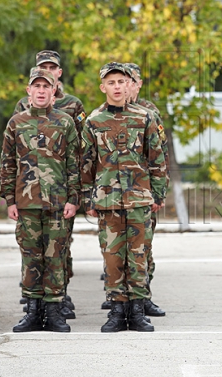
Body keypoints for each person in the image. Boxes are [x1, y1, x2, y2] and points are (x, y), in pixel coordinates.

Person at [81, 62, 167, 333]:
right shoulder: (93, 121)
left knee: (138, 256)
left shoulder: (144, 117)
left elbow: (156, 159)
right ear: (102, 87)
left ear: (128, 84)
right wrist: (88, 199)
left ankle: (138, 311)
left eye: (121, 82)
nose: (116, 87)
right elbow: (86, 164)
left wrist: (158, 194)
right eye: (111, 83)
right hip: (107, 201)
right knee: (112, 258)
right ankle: (117, 311)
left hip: (140, 199)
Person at [0, 68, 80, 333]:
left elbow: (74, 164)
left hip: (58, 203)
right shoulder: (16, 123)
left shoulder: (65, 122)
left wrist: (74, 199)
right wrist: (10, 199)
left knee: (56, 257)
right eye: (37, 86)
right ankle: (33, 311)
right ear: (29, 91)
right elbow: (8, 164)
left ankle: (55, 311)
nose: (42, 91)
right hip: (27, 203)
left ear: (54, 91)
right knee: (30, 257)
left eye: (47, 86)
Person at [124, 62, 168, 317]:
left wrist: (159, 190)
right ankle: (121, 297)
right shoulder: (107, 113)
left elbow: (159, 153)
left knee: (144, 247)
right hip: (118, 193)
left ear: (139, 84)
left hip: (144, 192)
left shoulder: (149, 111)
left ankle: (144, 295)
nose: (129, 85)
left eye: (133, 80)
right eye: (124, 80)